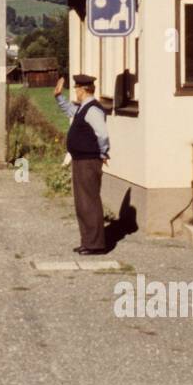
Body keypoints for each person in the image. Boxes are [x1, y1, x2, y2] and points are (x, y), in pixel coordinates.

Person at [54, 74, 110, 254]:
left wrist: (103, 152)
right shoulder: (83, 108)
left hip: (88, 161)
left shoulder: (93, 110)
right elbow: (70, 111)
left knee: (89, 202)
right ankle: (88, 241)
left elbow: (102, 134)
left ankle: (95, 244)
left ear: (83, 90)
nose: (75, 93)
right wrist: (58, 97)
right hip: (81, 160)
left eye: (76, 89)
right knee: (82, 203)